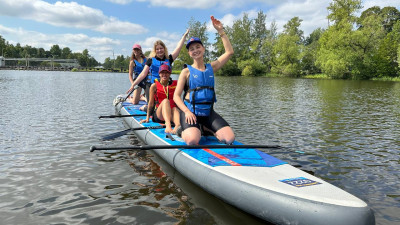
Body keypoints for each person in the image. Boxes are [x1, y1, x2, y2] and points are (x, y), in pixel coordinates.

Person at [173, 16, 235, 145]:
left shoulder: (212, 67)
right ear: (189, 53)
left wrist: (221, 31)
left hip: (208, 113)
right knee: (192, 140)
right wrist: (186, 112)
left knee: (229, 138)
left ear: (203, 49)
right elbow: (176, 96)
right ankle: (181, 130)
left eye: (198, 47)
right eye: (192, 49)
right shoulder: (186, 71)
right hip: (190, 113)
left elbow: (229, 52)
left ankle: (205, 127)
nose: (195, 50)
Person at [126, 30, 190, 108]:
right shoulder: (150, 60)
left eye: (161, 48)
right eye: (157, 49)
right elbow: (143, 74)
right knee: (153, 107)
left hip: (165, 85)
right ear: (155, 50)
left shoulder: (169, 59)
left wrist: (184, 36)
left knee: (167, 105)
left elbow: (178, 48)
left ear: (164, 49)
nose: (159, 50)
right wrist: (133, 84)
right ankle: (145, 107)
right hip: (152, 86)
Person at [140, 64, 180, 134]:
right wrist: (147, 118)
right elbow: (151, 103)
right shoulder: (154, 86)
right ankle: (168, 125)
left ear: (170, 74)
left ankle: (177, 126)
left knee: (175, 108)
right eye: (162, 72)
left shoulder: (176, 84)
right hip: (159, 115)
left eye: (167, 72)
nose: (164, 74)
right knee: (165, 101)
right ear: (159, 74)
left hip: (171, 113)